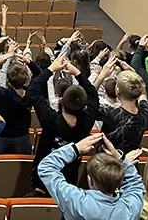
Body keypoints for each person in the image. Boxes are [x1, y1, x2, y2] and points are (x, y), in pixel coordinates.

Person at [27, 56, 99, 195]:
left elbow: (33, 90)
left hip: (43, 175)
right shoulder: (88, 119)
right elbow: (93, 94)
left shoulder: (50, 119)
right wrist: (77, 73)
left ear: (60, 101)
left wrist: (50, 69)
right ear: (84, 107)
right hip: (69, 178)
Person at [38, 133, 145, 220]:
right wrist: (121, 160)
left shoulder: (75, 201)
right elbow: (135, 184)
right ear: (120, 181)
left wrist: (76, 149)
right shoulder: (130, 209)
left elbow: (46, 167)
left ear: (90, 180)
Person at [98, 65, 148, 154]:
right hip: (133, 161)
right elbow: (143, 94)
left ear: (118, 91)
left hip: (109, 163)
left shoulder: (110, 114)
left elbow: (89, 102)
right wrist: (134, 75)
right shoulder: (146, 111)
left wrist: (101, 76)